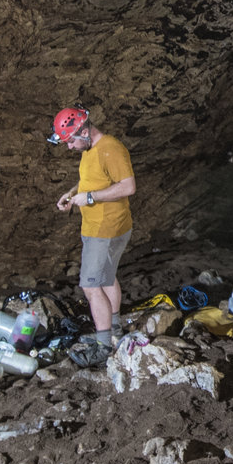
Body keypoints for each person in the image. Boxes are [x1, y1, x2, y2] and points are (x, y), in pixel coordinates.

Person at [51, 107, 135, 335]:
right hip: (104, 226)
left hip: (104, 230)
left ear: (84, 132)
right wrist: (71, 193)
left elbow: (128, 186)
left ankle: (103, 343)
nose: (69, 147)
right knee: (107, 277)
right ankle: (115, 328)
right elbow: (92, 180)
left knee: (90, 286)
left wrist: (88, 198)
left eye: (70, 141)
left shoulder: (110, 149)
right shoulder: (90, 150)